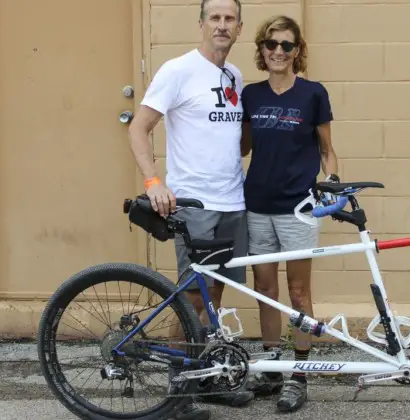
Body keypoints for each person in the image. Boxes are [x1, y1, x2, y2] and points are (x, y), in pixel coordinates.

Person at [128, 0, 253, 418]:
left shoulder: (233, 74)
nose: (221, 25)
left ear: (239, 27)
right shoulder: (177, 70)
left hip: (233, 202)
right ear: (201, 24)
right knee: (189, 301)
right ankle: (176, 395)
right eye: (214, 18)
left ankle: (203, 379)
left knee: (213, 295)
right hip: (194, 204)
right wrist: (154, 182)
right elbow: (139, 128)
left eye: (229, 18)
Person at [239, 15, 339, 413]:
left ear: (298, 51)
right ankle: (271, 368)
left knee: (298, 291)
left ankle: (300, 374)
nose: (278, 51)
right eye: (271, 44)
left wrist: (332, 184)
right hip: (256, 206)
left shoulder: (313, 94)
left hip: (298, 208)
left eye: (286, 45)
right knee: (266, 290)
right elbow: (242, 148)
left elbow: (327, 149)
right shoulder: (251, 95)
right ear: (262, 50)